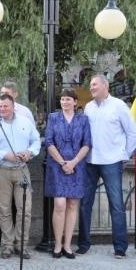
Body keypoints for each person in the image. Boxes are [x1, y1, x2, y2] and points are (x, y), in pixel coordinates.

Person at [77, 75, 136, 258]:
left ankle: (120, 247)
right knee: (85, 204)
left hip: (112, 161)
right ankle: (83, 244)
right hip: (90, 161)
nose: (92, 87)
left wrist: (124, 155)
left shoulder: (119, 106)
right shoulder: (88, 107)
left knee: (117, 205)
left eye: (94, 84)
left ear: (105, 86)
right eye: (91, 85)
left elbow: (132, 133)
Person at [0, 93, 40, 259]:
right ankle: (7, 245)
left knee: (24, 209)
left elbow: (36, 141)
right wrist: (4, 154)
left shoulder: (25, 122)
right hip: (0, 170)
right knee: (4, 210)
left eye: (5, 106)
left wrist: (30, 152)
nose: (2, 109)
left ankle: (21, 245)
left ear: (13, 107)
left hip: (21, 169)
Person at [44, 89, 91, 259]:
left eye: (68, 99)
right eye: (62, 99)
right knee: (60, 204)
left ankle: (67, 245)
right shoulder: (53, 118)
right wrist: (63, 162)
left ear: (75, 102)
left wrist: (73, 162)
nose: (65, 102)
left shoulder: (83, 119)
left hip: (77, 166)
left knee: (72, 205)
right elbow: (48, 142)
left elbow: (87, 143)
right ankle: (57, 245)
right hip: (57, 166)